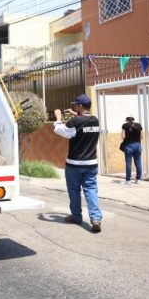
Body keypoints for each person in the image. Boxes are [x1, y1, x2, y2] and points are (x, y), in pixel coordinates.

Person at [53, 94, 103, 232]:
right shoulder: (95, 121)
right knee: (91, 190)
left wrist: (58, 117)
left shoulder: (75, 122)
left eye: (76, 105)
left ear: (80, 106)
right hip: (91, 164)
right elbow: (84, 121)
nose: (75, 107)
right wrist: (75, 114)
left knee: (74, 191)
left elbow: (60, 130)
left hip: (74, 165)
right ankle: (96, 218)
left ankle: (76, 216)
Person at [121, 115, 143, 185]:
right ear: (133, 119)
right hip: (138, 145)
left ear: (127, 120)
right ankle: (138, 179)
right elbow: (142, 136)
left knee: (128, 163)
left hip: (129, 145)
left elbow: (123, 136)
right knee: (138, 162)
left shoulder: (125, 125)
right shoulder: (139, 125)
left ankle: (128, 180)